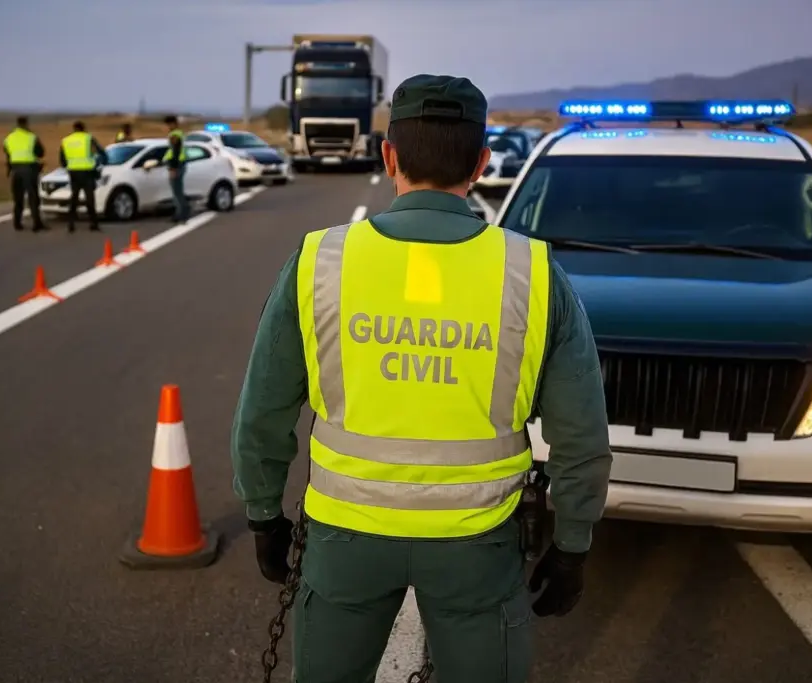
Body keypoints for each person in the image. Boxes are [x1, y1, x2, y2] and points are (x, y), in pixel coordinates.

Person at [231, 74, 613, 683]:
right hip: (478, 544)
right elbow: (582, 434)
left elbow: (263, 408)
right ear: (483, 163)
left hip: (345, 540)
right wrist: (572, 543)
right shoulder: (534, 273)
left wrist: (261, 512)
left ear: (388, 155)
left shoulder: (318, 262)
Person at [59, 120, 106, 233]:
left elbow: (62, 160)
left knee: (74, 198)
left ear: (74, 128)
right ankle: (93, 223)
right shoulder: (88, 138)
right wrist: (99, 163)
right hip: (87, 172)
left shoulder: (66, 140)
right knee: (89, 198)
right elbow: (101, 152)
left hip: (73, 172)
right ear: (83, 128)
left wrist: (69, 166)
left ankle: (71, 224)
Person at [2, 116, 47, 232]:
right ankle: (36, 223)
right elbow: (41, 153)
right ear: (26, 124)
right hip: (29, 170)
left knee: (18, 198)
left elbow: (7, 154)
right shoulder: (32, 137)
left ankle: (17, 223)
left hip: (15, 170)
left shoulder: (9, 138)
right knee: (33, 197)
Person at [162, 115, 189, 224]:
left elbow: (175, 152)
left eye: (169, 124)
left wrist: (173, 168)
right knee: (179, 191)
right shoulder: (179, 134)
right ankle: (182, 213)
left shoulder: (175, 135)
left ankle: (181, 215)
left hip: (176, 165)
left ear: (173, 123)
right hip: (180, 164)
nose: (168, 127)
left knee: (177, 192)